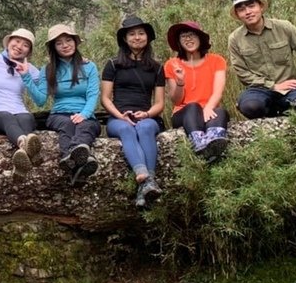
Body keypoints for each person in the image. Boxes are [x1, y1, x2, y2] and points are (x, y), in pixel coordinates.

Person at [228, 0, 296, 118]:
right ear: (237, 14)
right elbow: (242, 72)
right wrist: (273, 86)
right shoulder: (235, 38)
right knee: (251, 107)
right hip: (259, 89)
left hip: (291, 88)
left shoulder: (283, 27)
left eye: (252, 6)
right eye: (241, 9)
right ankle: (271, 115)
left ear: (261, 7)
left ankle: (287, 110)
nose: (248, 12)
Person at [101, 16, 165, 207]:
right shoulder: (113, 64)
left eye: (141, 33)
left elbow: (160, 103)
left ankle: (145, 184)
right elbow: (105, 98)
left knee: (144, 128)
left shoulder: (156, 67)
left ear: (147, 37)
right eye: (132, 34)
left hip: (147, 116)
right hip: (118, 117)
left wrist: (146, 114)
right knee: (127, 129)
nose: (137, 37)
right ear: (125, 39)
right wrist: (120, 115)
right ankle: (145, 178)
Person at [31, 24, 100, 186]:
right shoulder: (48, 70)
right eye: (59, 42)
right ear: (54, 47)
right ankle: (80, 160)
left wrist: (84, 114)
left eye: (68, 40)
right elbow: (40, 100)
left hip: (85, 113)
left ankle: (70, 157)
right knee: (68, 124)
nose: (65, 45)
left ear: (75, 42)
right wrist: (26, 77)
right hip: (59, 115)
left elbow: (92, 95)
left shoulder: (89, 66)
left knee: (87, 125)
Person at [0, 28, 44, 180]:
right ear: (8, 42)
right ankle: (25, 146)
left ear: (28, 52)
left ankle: (22, 161)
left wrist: (26, 75)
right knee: (7, 116)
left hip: (19, 110)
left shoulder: (32, 70)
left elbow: (40, 100)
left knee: (27, 118)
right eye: (16, 41)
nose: (19, 46)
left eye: (26, 45)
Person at [164, 20, 229, 162]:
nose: (188, 39)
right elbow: (176, 100)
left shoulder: (216, 60)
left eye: (192, 35)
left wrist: (208, 107)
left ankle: (214, 145)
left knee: (221, 111)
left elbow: (218, 91)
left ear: (200, 38)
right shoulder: (172, 64)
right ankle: (199, 143)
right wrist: (180, 82)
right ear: (179, 42)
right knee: (193, 106)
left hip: (209, 111)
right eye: (184, 36)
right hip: (184, 114)